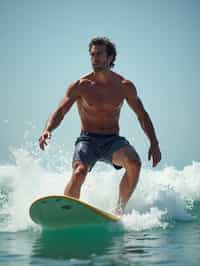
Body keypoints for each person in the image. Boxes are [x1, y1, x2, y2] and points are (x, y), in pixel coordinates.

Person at [38, 37, 161, 215]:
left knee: (134, 162)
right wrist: (48, 129)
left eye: (99, 54)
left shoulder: (124, 86)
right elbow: (61, 110)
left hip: (112, 141)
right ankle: (66, 211)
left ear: (110, 57)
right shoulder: (81, 86)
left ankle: (119, 211)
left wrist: (154, 143)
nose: (95, 59)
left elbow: (142, 115)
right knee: (79, 171)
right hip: (88, 139)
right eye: (92, 55)